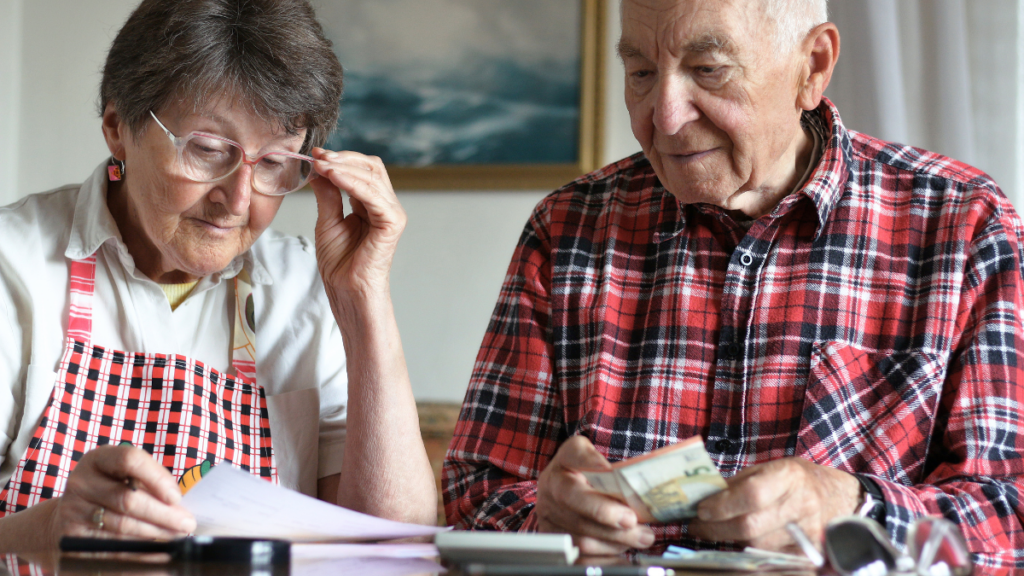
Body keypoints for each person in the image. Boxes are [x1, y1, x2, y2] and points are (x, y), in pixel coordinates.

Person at [443, 0, 1024, 568]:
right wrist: (545, 524)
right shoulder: (568, 229)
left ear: (812, 67)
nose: (664, 115)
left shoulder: (964, 225)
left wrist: (852, 509)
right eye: (641, 72)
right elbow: (474, 498)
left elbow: (1010, 515)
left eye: (709, 70)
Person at [0, 0, 435, 551]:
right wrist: (43, 532)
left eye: (275, 163)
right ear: (117, 128)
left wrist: (364, 299)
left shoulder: (305, 286)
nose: (237, 200)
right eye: (207, 150)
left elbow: (394, 544)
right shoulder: (12, 265)